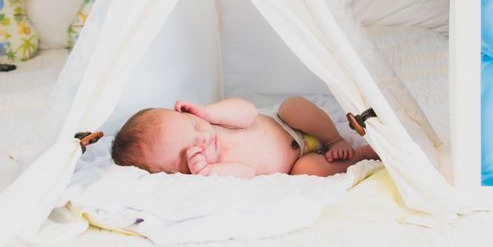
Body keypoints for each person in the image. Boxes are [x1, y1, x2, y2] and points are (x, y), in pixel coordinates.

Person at [110, 96, 379, 178]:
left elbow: (248, 113)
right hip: (297, 160)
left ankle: (333, 140)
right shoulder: (218, 166)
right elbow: (247, 172)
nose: (203, 137)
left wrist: (209, 112)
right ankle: (358, 156)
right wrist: (210, 172)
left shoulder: (216, 121)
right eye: (191, 150)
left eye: (193, 124)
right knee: (307, 172)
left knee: (293, 106)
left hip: (289, 125)